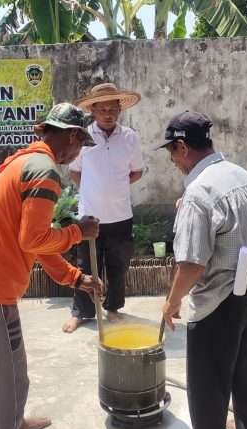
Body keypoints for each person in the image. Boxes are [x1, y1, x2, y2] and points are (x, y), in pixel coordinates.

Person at [0, 103, 104, 429]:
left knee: (16, 364)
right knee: (1, 376)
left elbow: (35, 242)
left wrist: (75, 277)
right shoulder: (43, 170)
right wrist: (78, 232)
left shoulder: (26, 162)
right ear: (74, 136)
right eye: (80, 145)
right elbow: (35, 239)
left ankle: (16, 422)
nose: (77, 155)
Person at [159, 111, 247, 429]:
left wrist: (172, 302)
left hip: (219, 303)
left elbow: (192, 264)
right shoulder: (244, 177)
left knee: (208, 391)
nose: (173, 161)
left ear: (182, 147)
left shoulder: (199, 193)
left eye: (172, 152)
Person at [62, 83, 146, 333]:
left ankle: (113, 309)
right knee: (85, 266)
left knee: (118, 266)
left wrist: (114, 188)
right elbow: (75, 173)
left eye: (113, 108)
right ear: (93, 111)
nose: (108, 113)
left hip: (121, 215)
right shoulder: (83, 137)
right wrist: (94, 191)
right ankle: (81, 313)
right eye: (102, 109)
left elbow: (136, 172)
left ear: (120, 109)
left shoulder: (130, 137)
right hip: (89, 216)